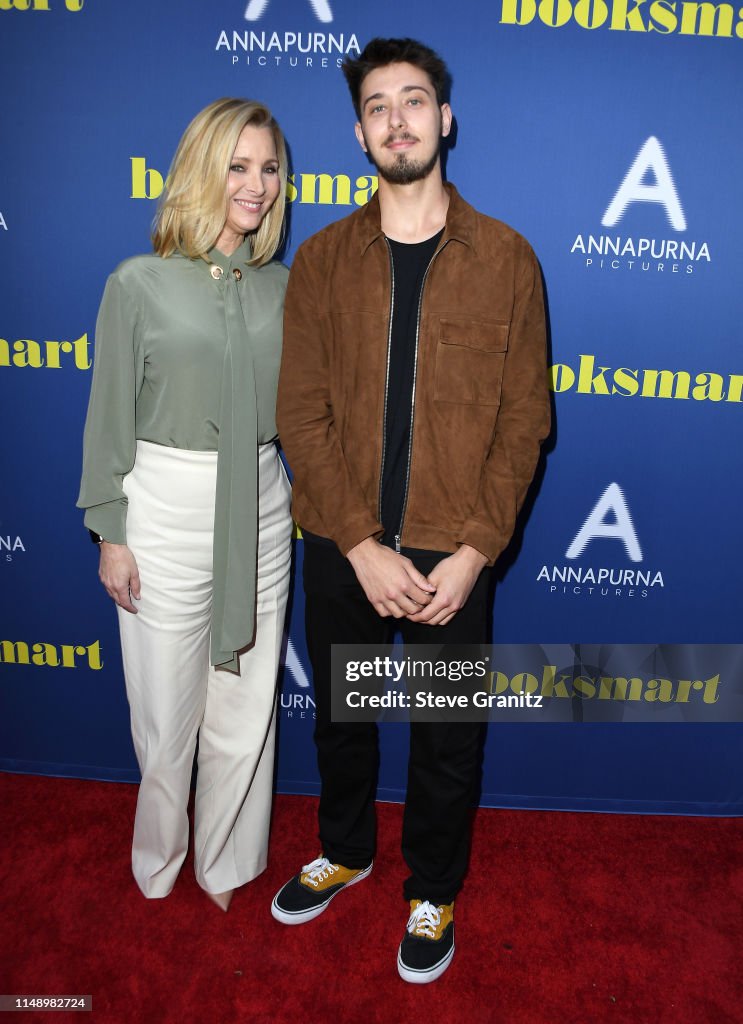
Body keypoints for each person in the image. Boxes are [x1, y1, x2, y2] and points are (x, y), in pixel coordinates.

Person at [272, 39, 550, 982]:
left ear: (445, 120)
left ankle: (433, 888)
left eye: (415, 100)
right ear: (358, 132)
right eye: (379, 106)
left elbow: (524, 423)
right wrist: (354, 540)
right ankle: (346, 849)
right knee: (342, 722)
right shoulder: (319, 261)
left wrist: (474, 552)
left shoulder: (507, 259)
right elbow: (299, 413)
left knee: (444, 735)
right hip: (345, 543)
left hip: (450, 554)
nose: (397, 120)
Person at [77, 98, 292, 911]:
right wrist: (111, 530)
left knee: (245, 709)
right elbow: (109, 418)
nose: (257, 184)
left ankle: (229, 865)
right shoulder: (137, 283)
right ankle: (159, 861)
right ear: (201, 170)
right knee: (165, 718)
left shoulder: (284, 288)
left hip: (267, 506)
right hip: (164, 508)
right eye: (238, 165)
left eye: (269, 168)